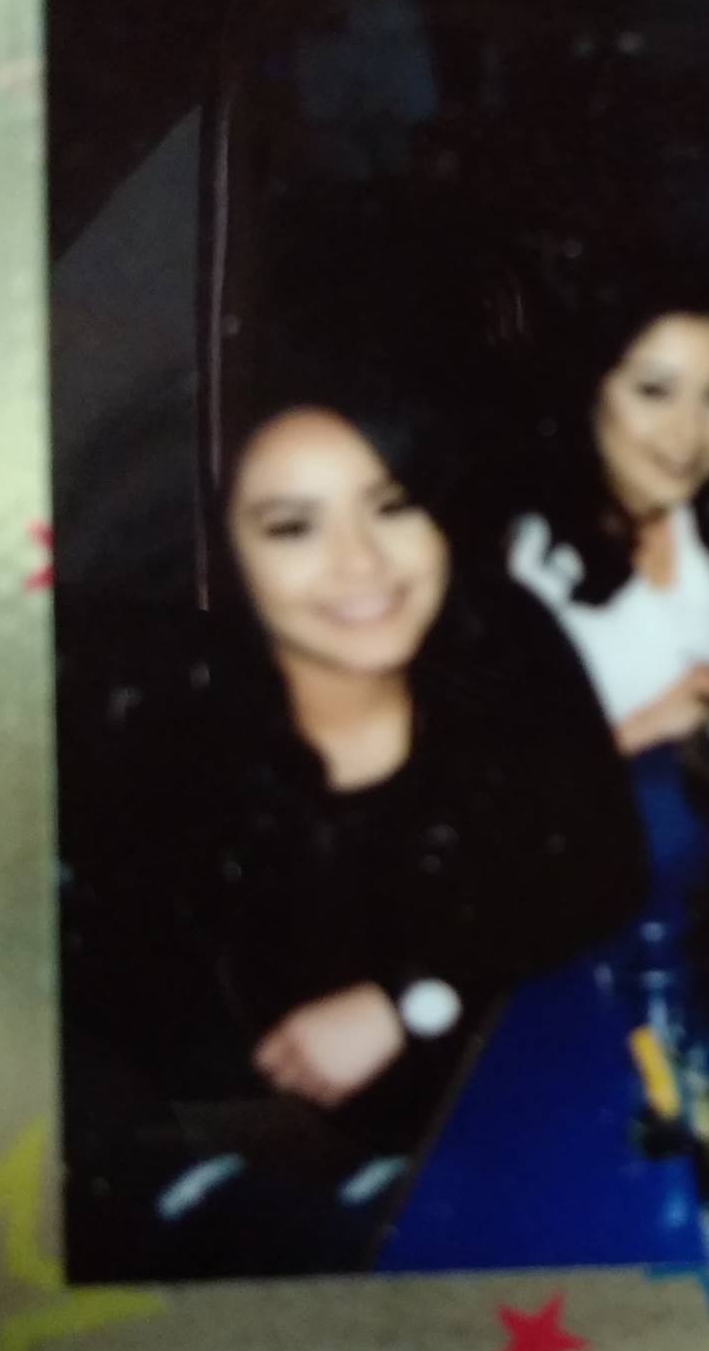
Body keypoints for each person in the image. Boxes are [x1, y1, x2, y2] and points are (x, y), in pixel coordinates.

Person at [60, 378, 647, 1280]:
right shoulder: (163, 755)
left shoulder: (500, 638)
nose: (362, 562)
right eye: (293, 527)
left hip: (511, 1128)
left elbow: (605, 868)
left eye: (392, 506)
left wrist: (408, 998)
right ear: (220, 556)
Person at [509, 270, 709, 756]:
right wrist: (645, 728)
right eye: (655, 391)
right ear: (591, 389)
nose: (690, 433)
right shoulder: (526, 561)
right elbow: (494, 775)